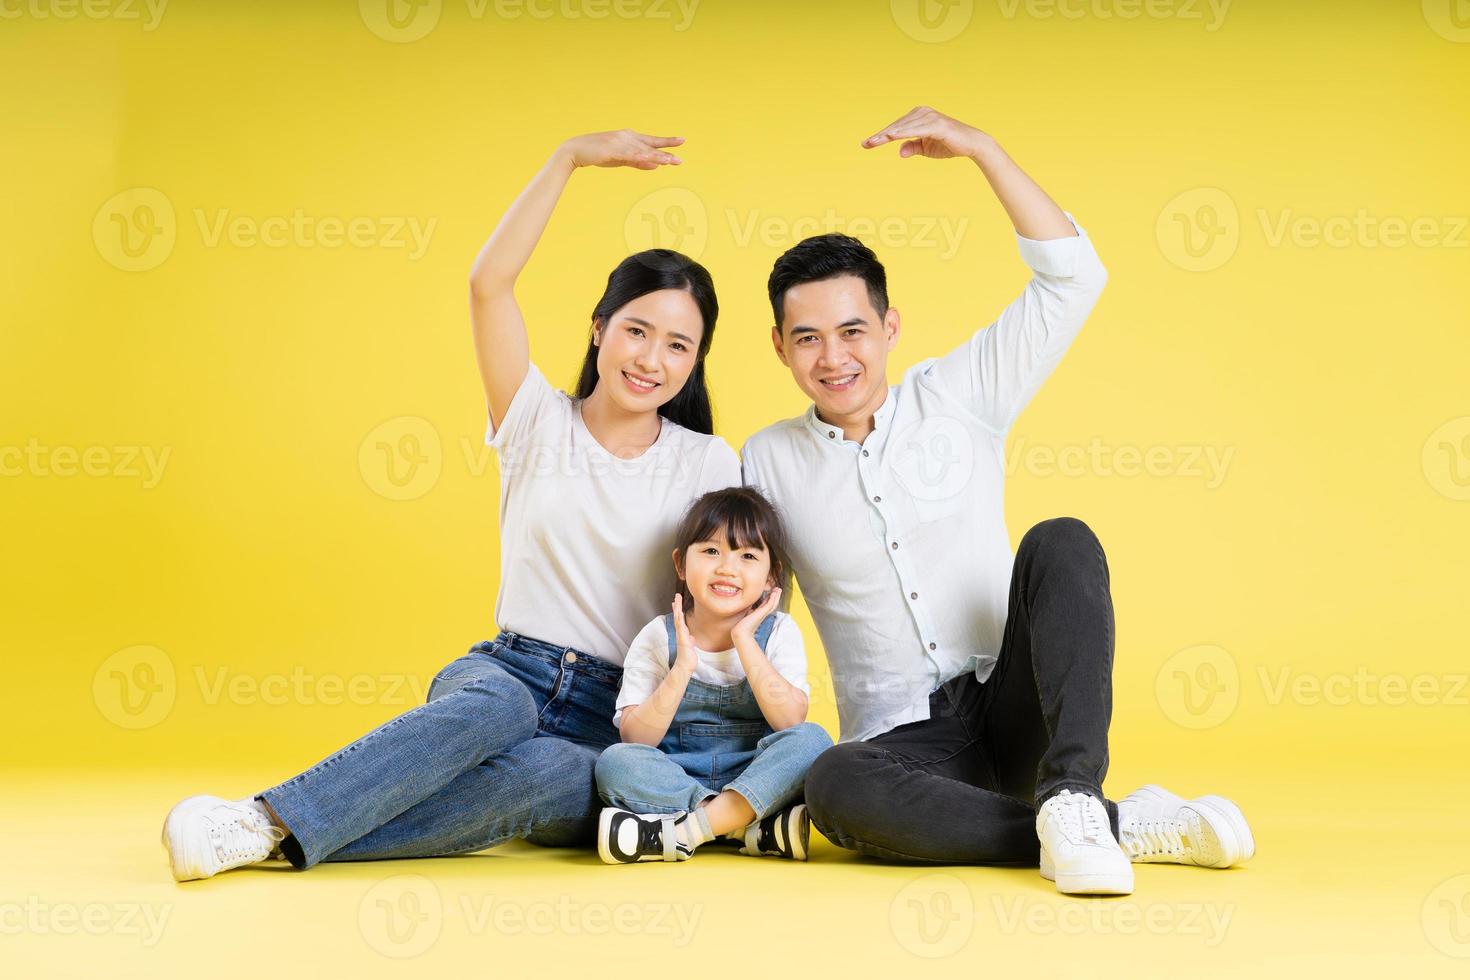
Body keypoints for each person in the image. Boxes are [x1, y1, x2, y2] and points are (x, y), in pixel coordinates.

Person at [160, 129, 744, 881]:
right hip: (511, 673)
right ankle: (262, 822)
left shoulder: (707, 461)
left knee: (558, 781)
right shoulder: (536, 418)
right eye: (637, 330)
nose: (651, 360)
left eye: (677, 346)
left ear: (695, 362)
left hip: (620, 714)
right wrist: (567, 158)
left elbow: (729, 600)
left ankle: (274, 831)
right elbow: (487, 285)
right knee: (496, 714)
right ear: (600, 329)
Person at [740, 106, 1255, 895]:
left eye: (852, 330)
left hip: (1018, 713)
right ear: (780, 346)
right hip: (907, 749)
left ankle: (1076, 791)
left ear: (889, 326)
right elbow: (750, 613)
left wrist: (983, 150)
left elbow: (1075, 278)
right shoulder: (767, 459)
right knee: (836, 785)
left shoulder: (959, 392)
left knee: (1063, 539)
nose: (834, 357)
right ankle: (1112, 825)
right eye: (807, 337)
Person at [594, 487, 833, 863]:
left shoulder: (779, 633)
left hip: (754, 772)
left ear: (773, 577)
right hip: (678, 776)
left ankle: (686, 832)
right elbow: (636, 737)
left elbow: (789, 720)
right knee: (615, 762)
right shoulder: (659, 636)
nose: (727, 568)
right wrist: (682, 668)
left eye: (748, 556)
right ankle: (745, 827)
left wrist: (744, 639)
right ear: (680, 564)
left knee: (813, 741)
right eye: (711, 551)